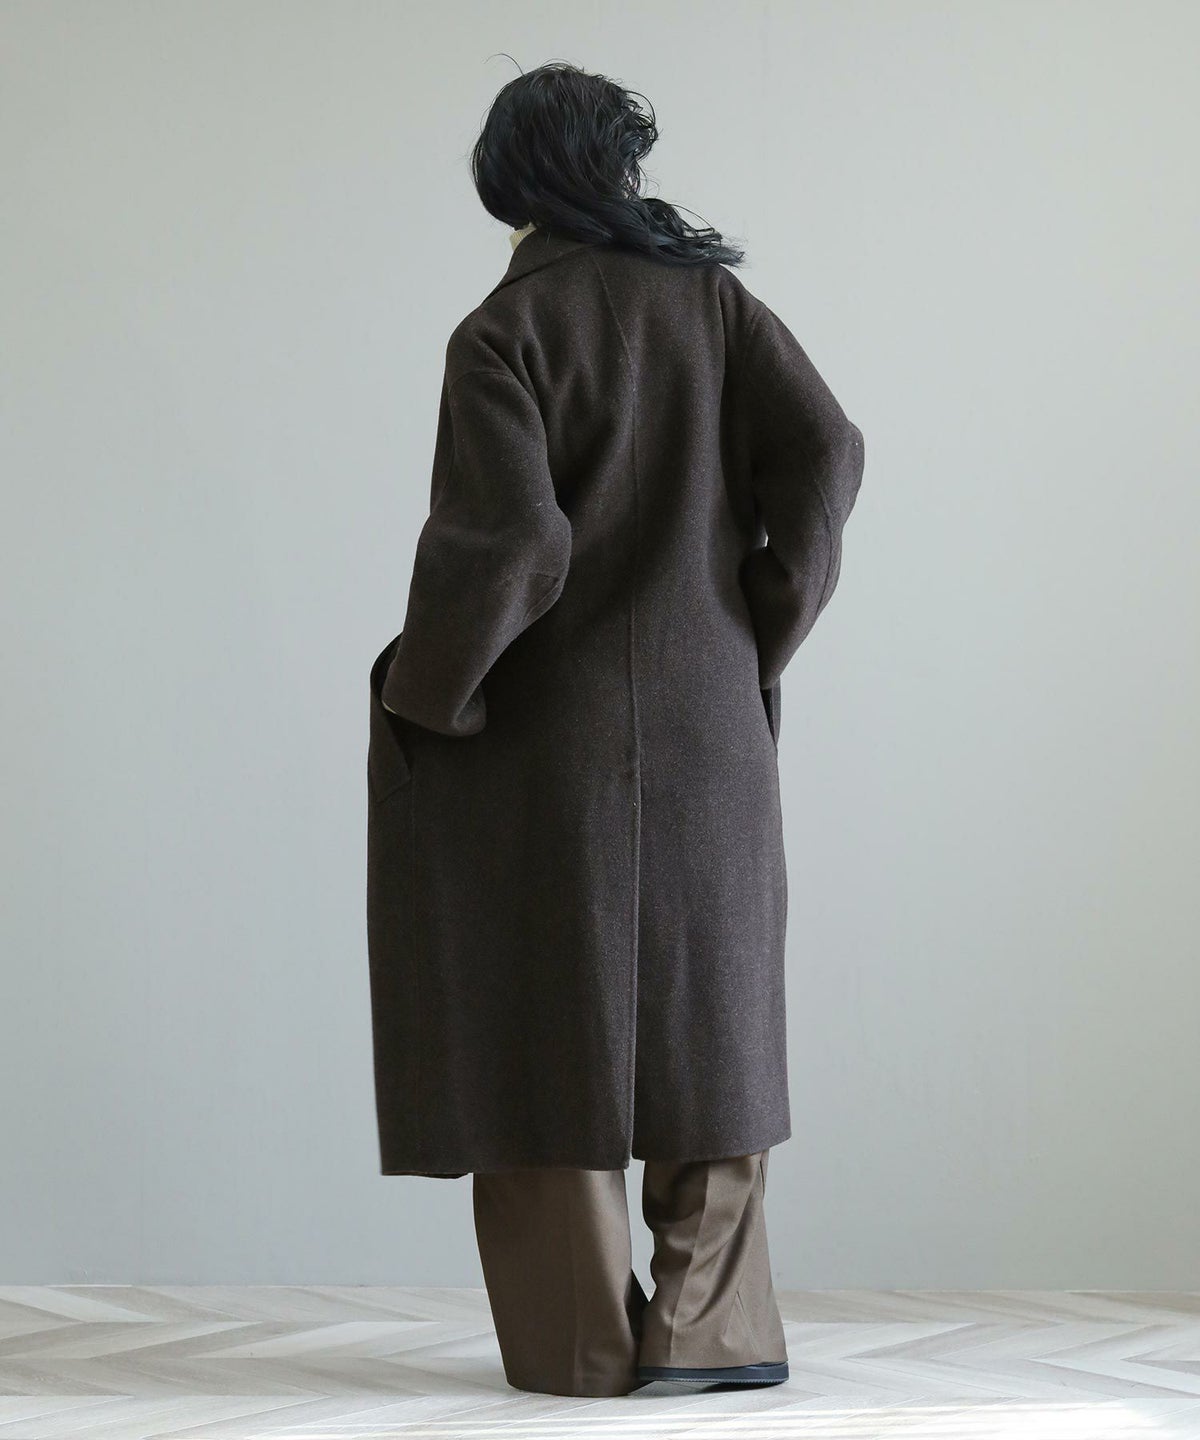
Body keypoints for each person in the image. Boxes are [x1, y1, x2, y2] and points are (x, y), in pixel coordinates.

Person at [365, 60, 865, 1398]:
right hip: (711, 730)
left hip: (549, 743)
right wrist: (754, 626)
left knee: (542, 1016)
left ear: (508, 179)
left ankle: (580, 1343)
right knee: (713, 1010)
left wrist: (427, 687)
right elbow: (829, 450)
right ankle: (714, 1332)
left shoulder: (503, 332)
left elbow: (513, 544)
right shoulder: (713, 303)